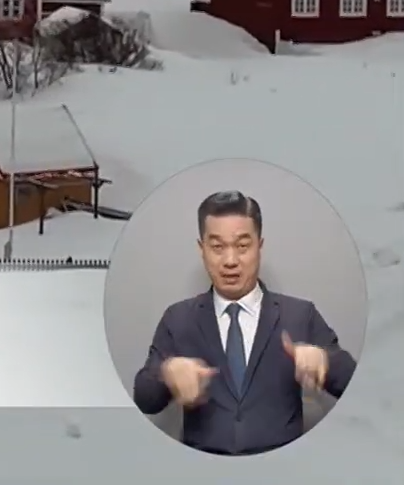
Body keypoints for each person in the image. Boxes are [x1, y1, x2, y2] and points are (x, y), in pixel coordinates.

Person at [133, 190, 358, 455]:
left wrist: (325, 361)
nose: (230, 261)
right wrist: (167, 373)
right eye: (217, 247)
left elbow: (352, 381)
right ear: (201, 248)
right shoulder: (178, 318)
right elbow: (145, 398)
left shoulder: (300, 314)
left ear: (259, 246)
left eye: (242, 246)